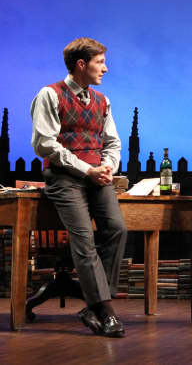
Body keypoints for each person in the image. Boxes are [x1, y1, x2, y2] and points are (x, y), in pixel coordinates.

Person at [31, 37, 127, 337]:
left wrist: (108, 166)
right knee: (84, 239)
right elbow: (44, 144)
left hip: (97, 176)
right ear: (81, 65)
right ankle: (106, 310)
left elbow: (112, 142)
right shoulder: (50, 95)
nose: (106, 69)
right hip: (64, 178)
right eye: (100, 62)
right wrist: (88, 169)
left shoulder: (103, 101)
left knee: (116, 229)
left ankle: (93, 305)